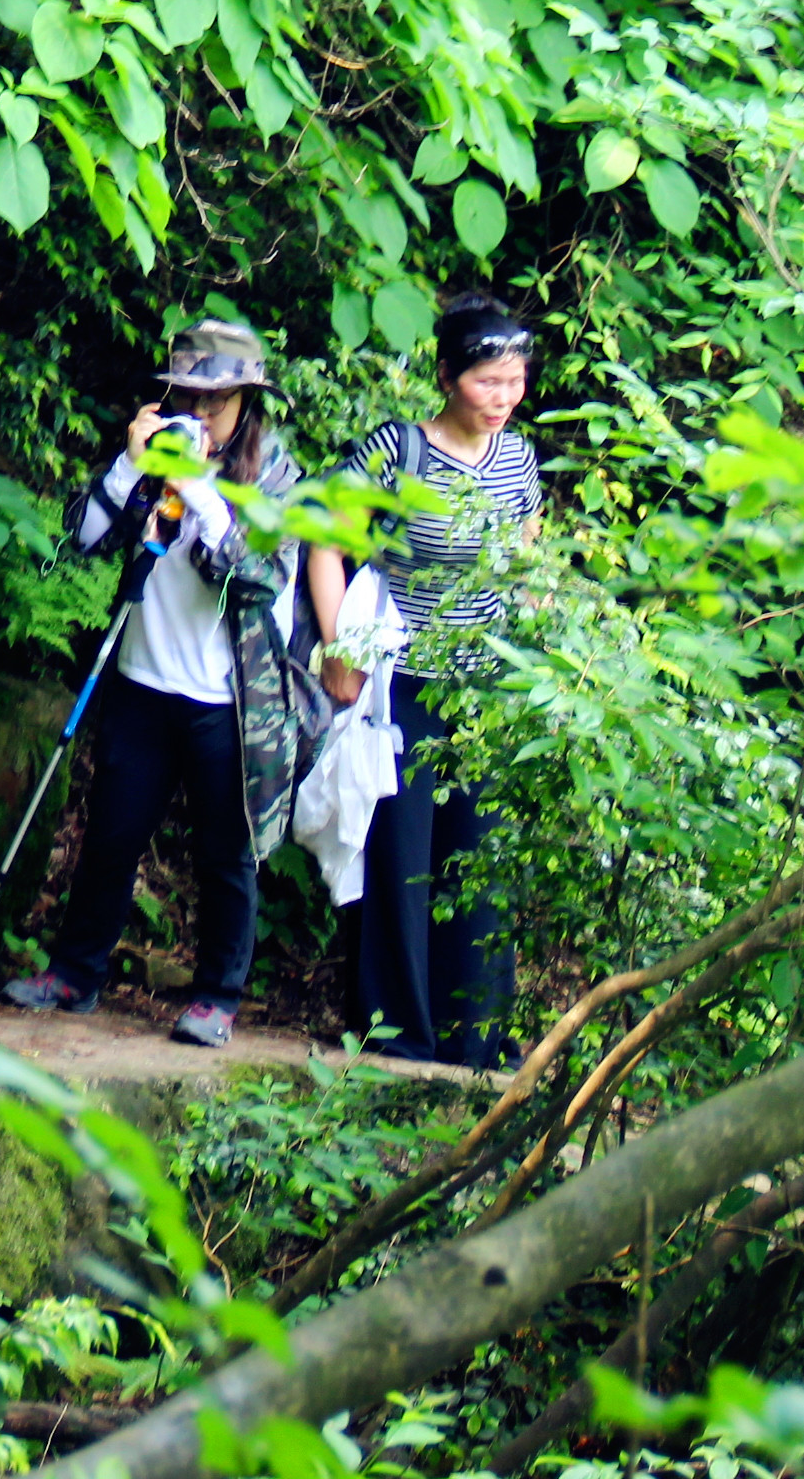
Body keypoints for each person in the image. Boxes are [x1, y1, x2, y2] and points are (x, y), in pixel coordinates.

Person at [1, 319, 318, 1047]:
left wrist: (201, 493)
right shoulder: (153, 455)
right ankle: (75, 973)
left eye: (216, 399)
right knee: (111, 835)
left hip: (226, 699)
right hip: (142, 678)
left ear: (246, 401)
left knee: (225, 853)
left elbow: (258, 581)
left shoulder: (275, 479)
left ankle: (217, 998)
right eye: (186, 395)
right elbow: (81, 538)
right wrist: (128, 465)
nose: (199, 412)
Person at [305, 290, 544, 1069]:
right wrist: (339, 647)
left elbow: (527, 554)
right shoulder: (397, 449)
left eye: (515, 381)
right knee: (401, 856)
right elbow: (325, 539)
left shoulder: (518, 458)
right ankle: (398, 1034)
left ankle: (476, 1038)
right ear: (446, 377)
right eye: (487, 382)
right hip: (405, 679)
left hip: (489, 684)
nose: (503, 397)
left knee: (480, 857)